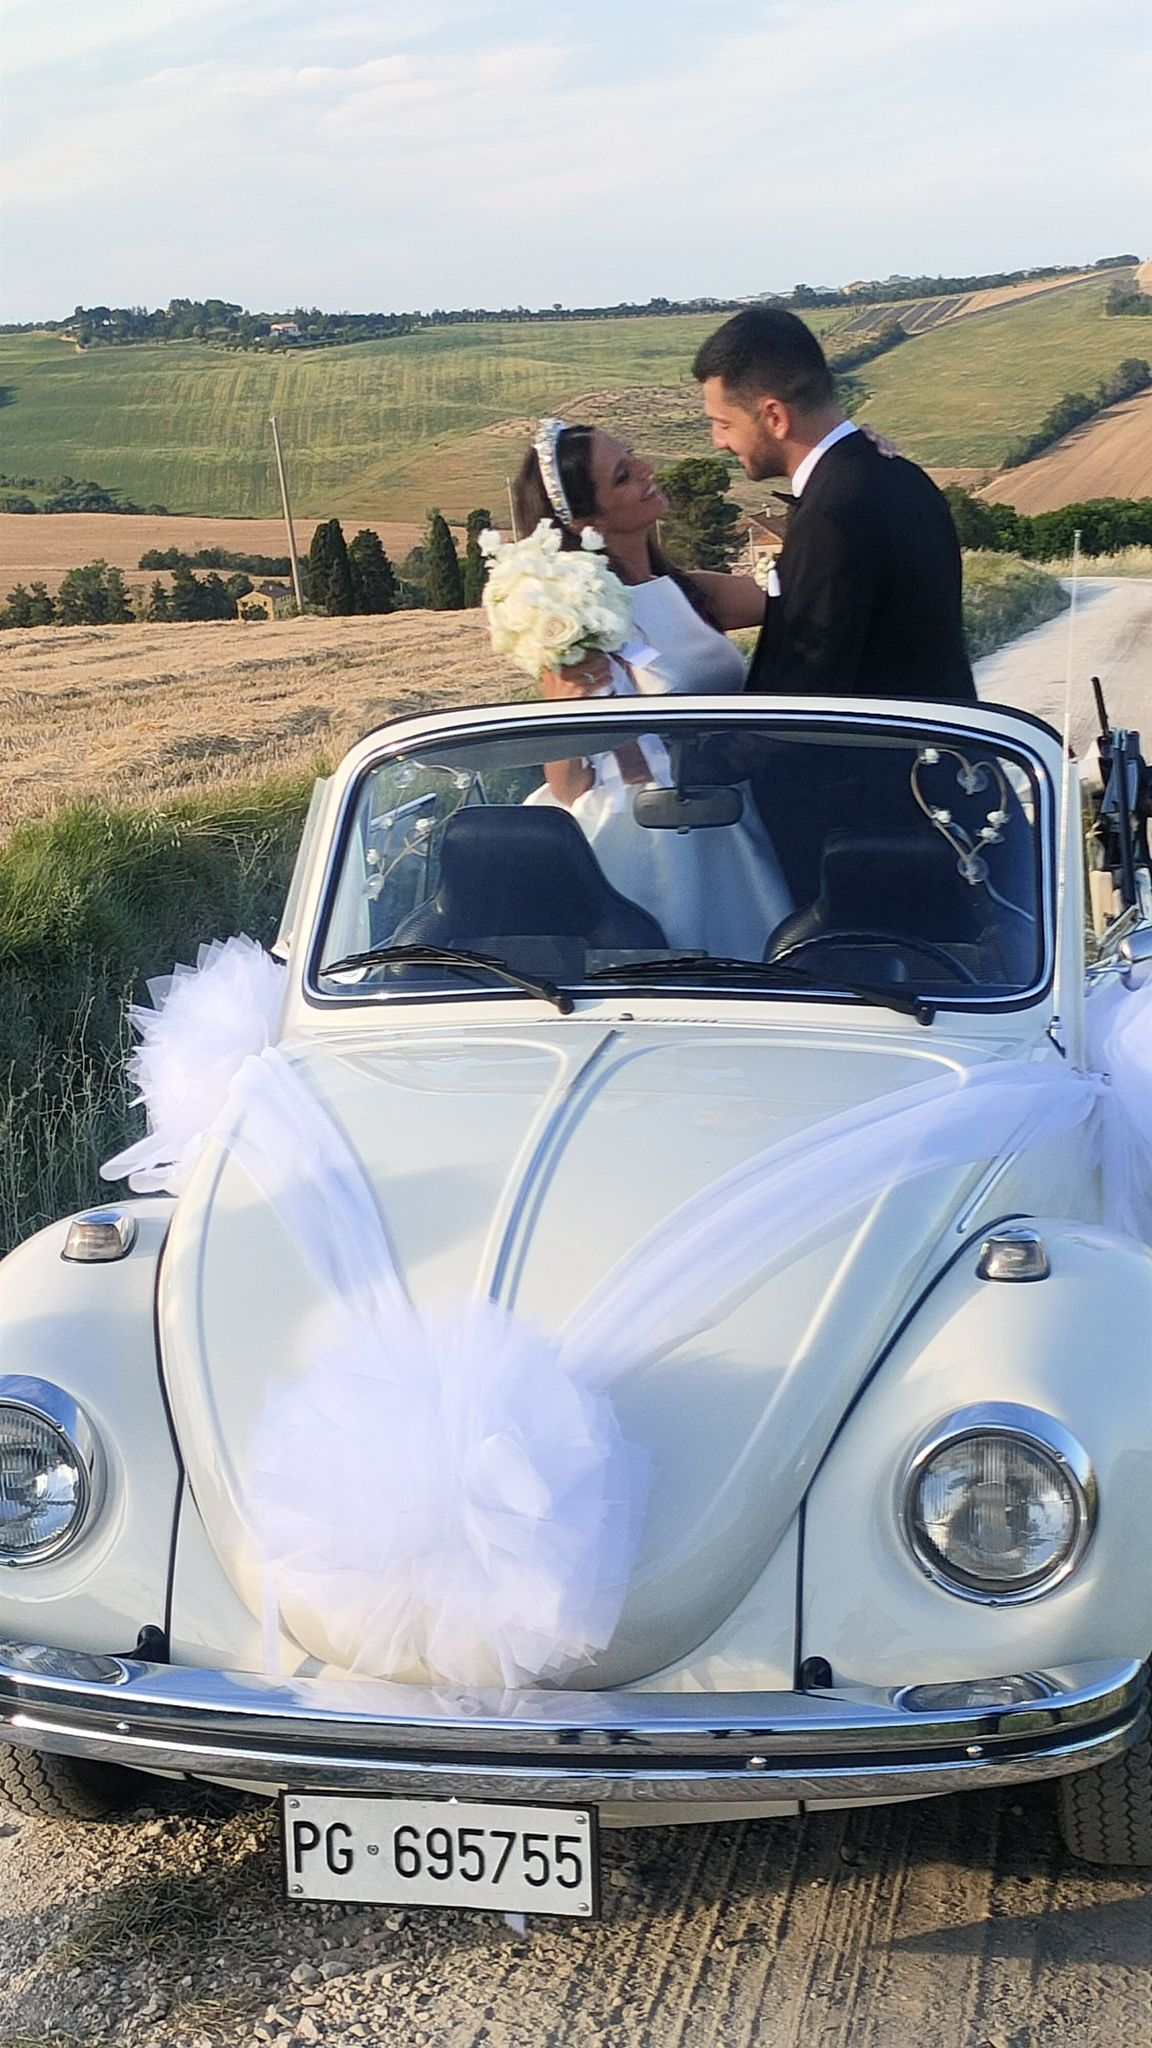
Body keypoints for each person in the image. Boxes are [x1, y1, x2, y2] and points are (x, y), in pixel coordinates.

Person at [510, 419, 792, 956]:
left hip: (725, 810)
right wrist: (566, 713)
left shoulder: (690, 592)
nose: (646, 470)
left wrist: (857, 464)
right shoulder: (578, 620)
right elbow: (569, 784)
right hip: (644, 837)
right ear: (588, 520)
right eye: (623, 475)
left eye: (632, 456)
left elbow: (807, 593)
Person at [692, 307, 976, 702]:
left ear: (774, 417)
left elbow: (802, 697)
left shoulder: (829, 519)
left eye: (725, 424)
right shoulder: (905, 476)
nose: (719, 441)